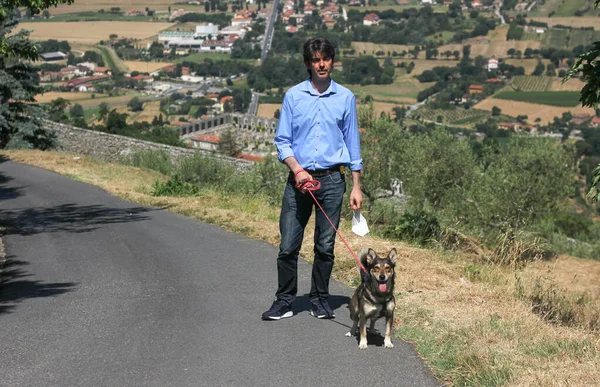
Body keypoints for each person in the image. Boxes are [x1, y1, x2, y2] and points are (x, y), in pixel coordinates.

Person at [261, 37, 363, 321]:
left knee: (325, 247)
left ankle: (320, 299)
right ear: (308, 63)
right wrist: (297, 169)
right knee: (288, 246)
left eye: (326, 58)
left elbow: (353, 145)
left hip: (332, 182)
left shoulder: (345, 98)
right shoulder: (293, 96)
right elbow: (282, 141)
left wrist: (356, 186)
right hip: (298, 182)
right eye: (316, 59)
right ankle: (284, 301)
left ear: (332, 61)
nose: (321, 64)